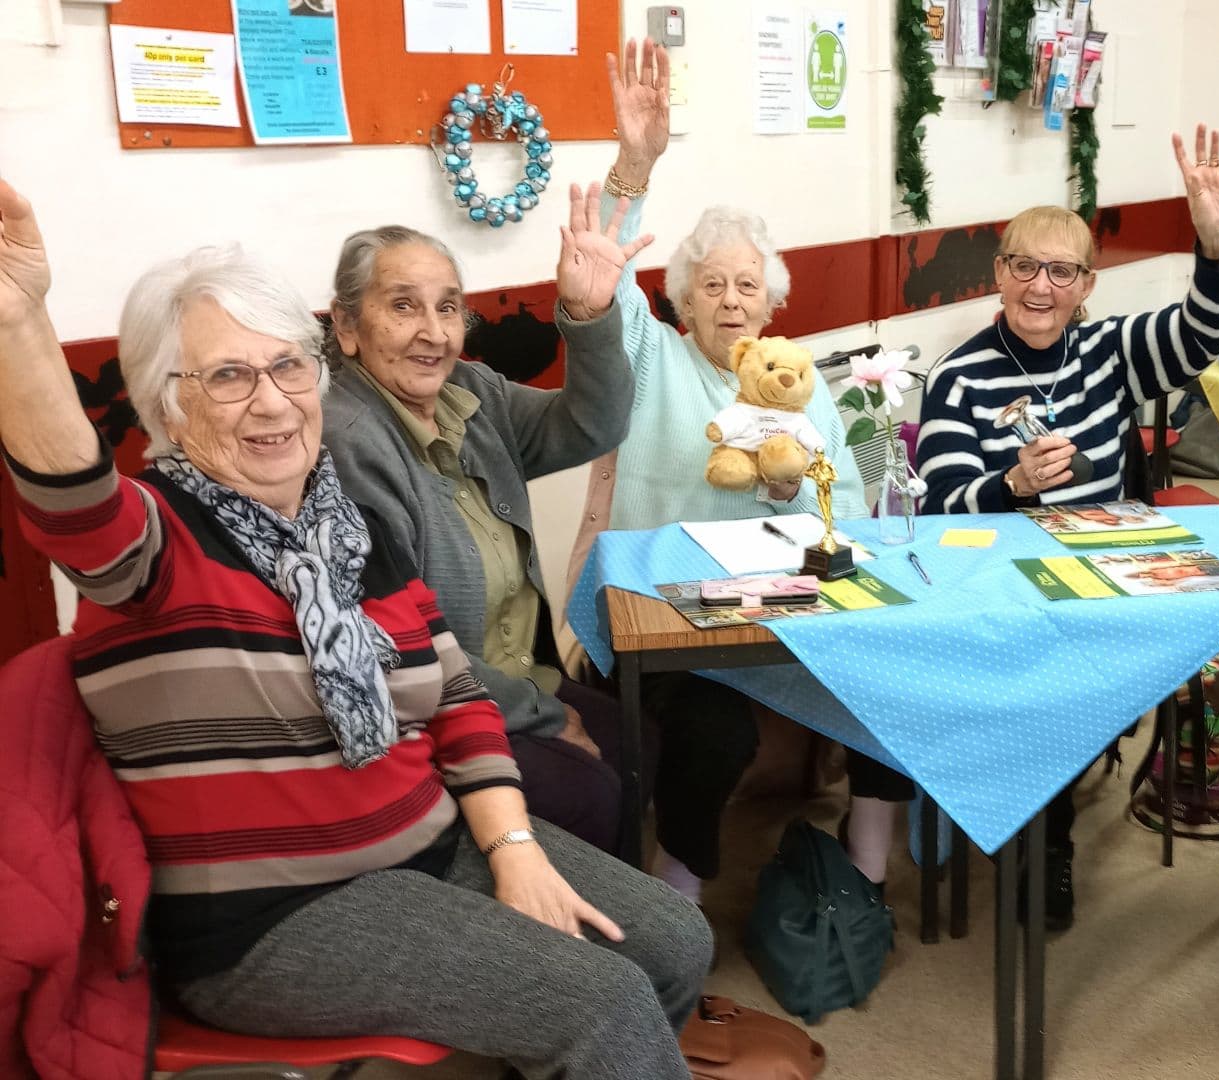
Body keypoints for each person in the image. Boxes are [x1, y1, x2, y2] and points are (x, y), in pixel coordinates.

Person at [0, 177, 710, 1078]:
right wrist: (20, 325)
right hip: (278, 916)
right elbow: (70, 501)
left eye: (288, 366)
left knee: (675, 938)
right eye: (227, 375)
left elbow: (455, 697)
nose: (271, 401)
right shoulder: (152, 544)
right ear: (164, 403)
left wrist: (514, 847)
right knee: (599, 999)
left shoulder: (345, 526)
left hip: (433, 840)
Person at [561, 38, 912, 901]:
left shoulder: (798, 381)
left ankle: (866, 864)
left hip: (787, 606)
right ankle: (679, 885)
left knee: (896, 676)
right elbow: (600, 270)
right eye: (711, 285)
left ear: (772, 299)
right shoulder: (651, 356)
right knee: (714, 732)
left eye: (746, 287)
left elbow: (853, 509)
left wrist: (801, 493)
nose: (729, 301)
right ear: (682, 299)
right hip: (667, 613)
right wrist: (633, 165)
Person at [916, 124, 1219, 929]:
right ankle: (1045, 843)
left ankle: (1052, 813)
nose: (1040, 286)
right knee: (1045, 674)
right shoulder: (958, 376)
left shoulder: (1109, 352)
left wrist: (1213, 239)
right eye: (1023, 265)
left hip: (1108, 574)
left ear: (1086, 285)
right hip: (1001, 582)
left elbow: (1206, 334)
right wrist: (1012, 484)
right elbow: (937, 508)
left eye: (1061, 271)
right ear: (998, 274)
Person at [321, 186, 645, 857]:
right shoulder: (348, 439)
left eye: (447, 307)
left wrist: (588, 315)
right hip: (434, 711)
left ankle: (625, 926)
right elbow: (403, 646)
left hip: (521, 683)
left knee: (642, 736)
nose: (433, 332)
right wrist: (549, 717)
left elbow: (594, 424)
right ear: (347, 327)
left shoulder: (469, 393)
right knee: (591, 788)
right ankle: (567, 944)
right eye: (403, 305)